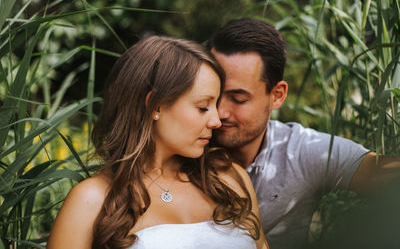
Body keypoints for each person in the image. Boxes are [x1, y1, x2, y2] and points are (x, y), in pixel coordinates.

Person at [47, 36, 269, 249]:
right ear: (155, 106)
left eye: (215, 106)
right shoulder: (92, 200)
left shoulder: (230, 180)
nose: (216, 120)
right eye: (203, 107)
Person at [208, 18, 400, 249]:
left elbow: (387, 175)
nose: (219, 112)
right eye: (213, 95)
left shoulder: (304, 152)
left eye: (239, 99)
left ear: (277, 95)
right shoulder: (181, 144)